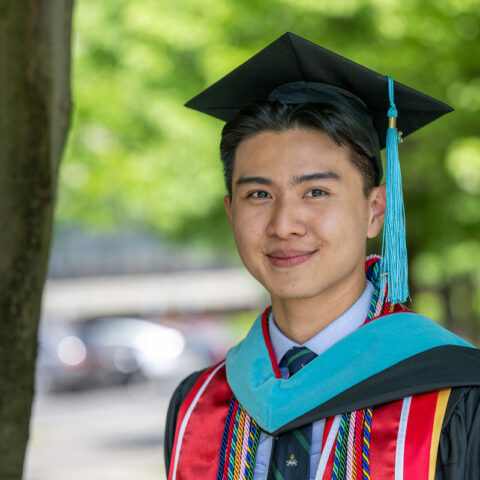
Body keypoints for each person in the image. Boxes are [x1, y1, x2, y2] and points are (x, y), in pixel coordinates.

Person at [163, 33, 480, 480]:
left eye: (315, 191)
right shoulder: (197, 403)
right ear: (231, 212)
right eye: (258, 193)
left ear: (375, 212)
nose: (284, 224)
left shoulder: (459, 393)